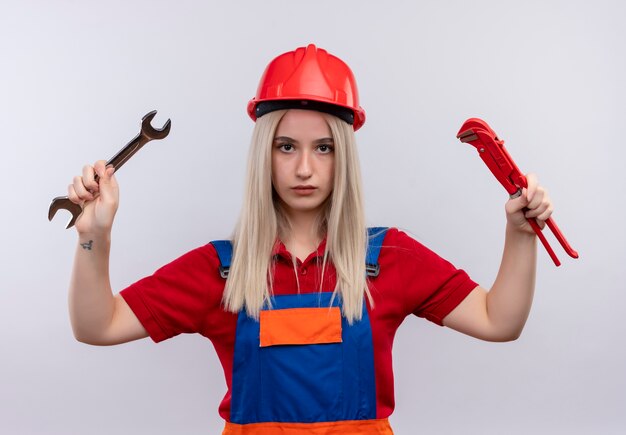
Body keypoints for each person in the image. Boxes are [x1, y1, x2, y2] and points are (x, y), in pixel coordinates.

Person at [66, 44, 553, 434]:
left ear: (343, 156)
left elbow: (499, 320)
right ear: (265, 155)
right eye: (286, 147)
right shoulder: (222, 272)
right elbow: (96, 326)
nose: (304, 168)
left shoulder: (390, 258)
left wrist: (519, 234)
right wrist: (94, 237)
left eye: (323, 148)